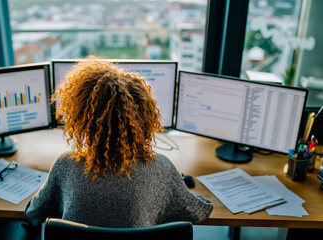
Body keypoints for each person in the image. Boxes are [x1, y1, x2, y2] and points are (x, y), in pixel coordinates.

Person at [25, 56, 213, 228]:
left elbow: (33, 212)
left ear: (81, 118)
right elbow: (200, 211)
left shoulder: (65, 165)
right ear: (144, 119)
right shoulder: (162, 168)